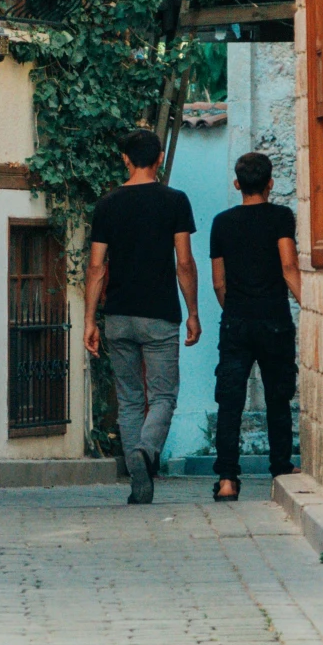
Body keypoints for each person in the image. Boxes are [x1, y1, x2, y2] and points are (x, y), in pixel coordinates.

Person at [84, 125, 199, 504]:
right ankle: (148, 449)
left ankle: (139, 484)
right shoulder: (175, 201)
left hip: (118, 315)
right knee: (164, 395)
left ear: (125, 159)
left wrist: (89, 320)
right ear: (160, 159)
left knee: (130, 399)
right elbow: (184, 262)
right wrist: (193, 311)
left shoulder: (107, 205)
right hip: (160, 315)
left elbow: (97, 267)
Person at [209, 148, 301, 502]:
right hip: (274, 320)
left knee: (230, 399)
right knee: (278, 395)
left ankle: (228, 479)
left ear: (237, 184)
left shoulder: (222, 222)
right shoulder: (280, 216)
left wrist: (233, 308)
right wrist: (308, 304)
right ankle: (280, 465)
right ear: (271, 183)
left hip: (236, 322)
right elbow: (289, 267)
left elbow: (219, 281)